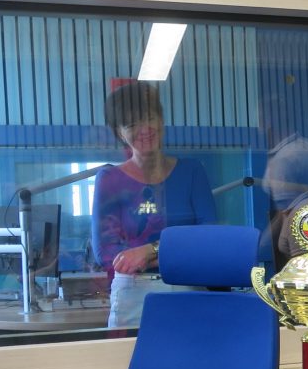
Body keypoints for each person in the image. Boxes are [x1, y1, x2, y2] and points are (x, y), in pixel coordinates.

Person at [92, 82, 216, 328]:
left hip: (188, 288)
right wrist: (178, 251)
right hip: (133, 295)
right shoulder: (109, 179)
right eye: (131, 124)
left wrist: (149, 251)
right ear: (119, 133)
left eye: (149, 118)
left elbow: (208, 237)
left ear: (161, 120)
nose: (144, 129)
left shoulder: (192, 172)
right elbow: (105, 252)